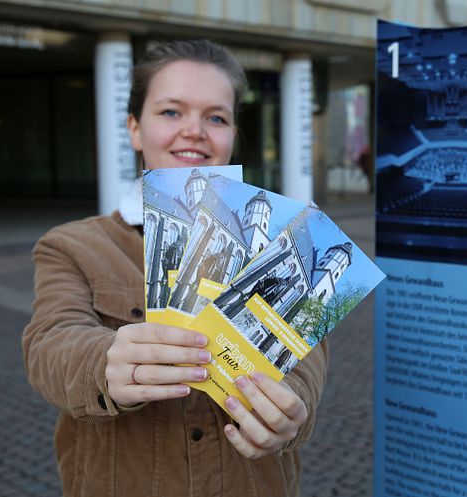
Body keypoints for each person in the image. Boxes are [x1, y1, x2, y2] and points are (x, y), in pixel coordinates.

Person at [22, 40, 329, 497]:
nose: (195, 131)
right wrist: (103, 362)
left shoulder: (283, 243)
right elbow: (50, 342)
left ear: (231, 135)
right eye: (170, 112)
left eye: (216, 117)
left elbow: (308, 351)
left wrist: (293, 405)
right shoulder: (72, 245)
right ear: (134, 129)